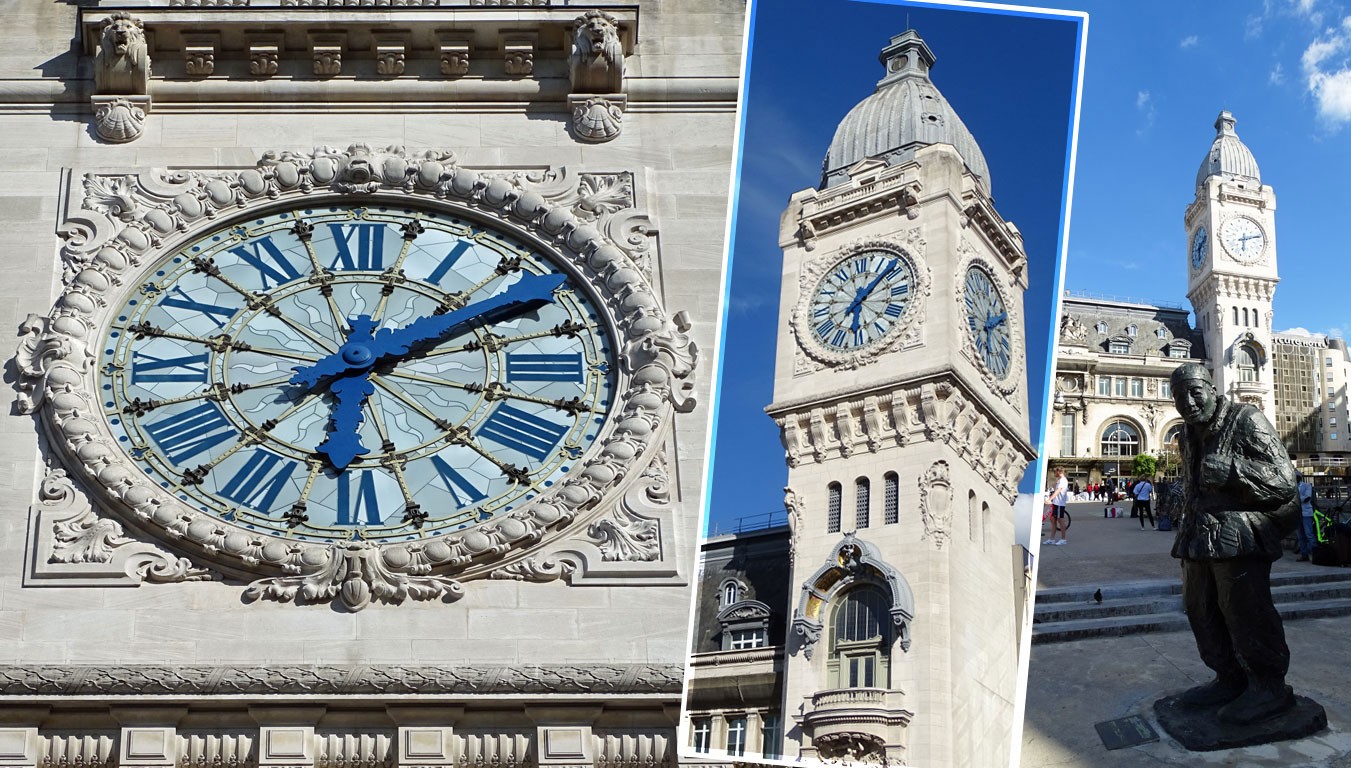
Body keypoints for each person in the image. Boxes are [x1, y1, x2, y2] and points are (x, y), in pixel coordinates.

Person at [1168, 363, 1301, 725]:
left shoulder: (1246, 420)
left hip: (1239, 536)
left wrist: (1232, 471)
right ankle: (1229, 677)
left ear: (1213, 389)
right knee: (1200, 609)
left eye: (1196, 392)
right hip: (1198, 537)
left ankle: (1269, 685)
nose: (1190, 402)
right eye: (1180, 397)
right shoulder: (1186, 434)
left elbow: (1284, 480)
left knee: (1244, 610)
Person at [1044, 467, 1070, 546]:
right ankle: (1052, 539)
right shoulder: (1059, 480)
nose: (1054, 473)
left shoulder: (1063, 481)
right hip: (1056, 503)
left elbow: (1058, 491)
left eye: (1055, 472)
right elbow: (1055, 487)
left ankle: (1063, 539)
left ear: (1059, 472)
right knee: (1052, 519)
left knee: (1060, 520)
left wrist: (1050, 499)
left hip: (1059, 503)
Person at [1296, 472, 1315, 562]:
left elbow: (1307, 497)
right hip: (1297, 514)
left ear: (1300, 478)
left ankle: (1314, 554)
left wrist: (1296, 499)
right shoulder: (1292, 487)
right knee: (1300, 536)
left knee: (1309, 535)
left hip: (1306, 513)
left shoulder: (1307, 486)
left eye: (1297, 477)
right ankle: (1304, 554)